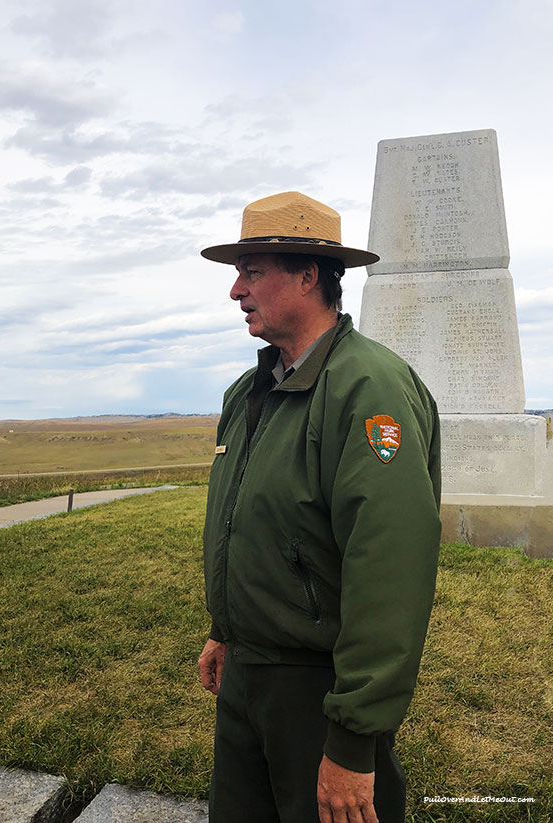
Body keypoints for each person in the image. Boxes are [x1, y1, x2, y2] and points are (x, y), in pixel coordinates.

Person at [197, 191, 441, 823]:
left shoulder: (370, 389)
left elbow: (389, 565)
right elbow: (250, 523)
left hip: (318, 689)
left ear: (308, 276)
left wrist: (354, 738)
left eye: (251, 271)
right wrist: (226, 630)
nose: (236, 291)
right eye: (237, 273)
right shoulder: (248, 391)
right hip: (248, 677)